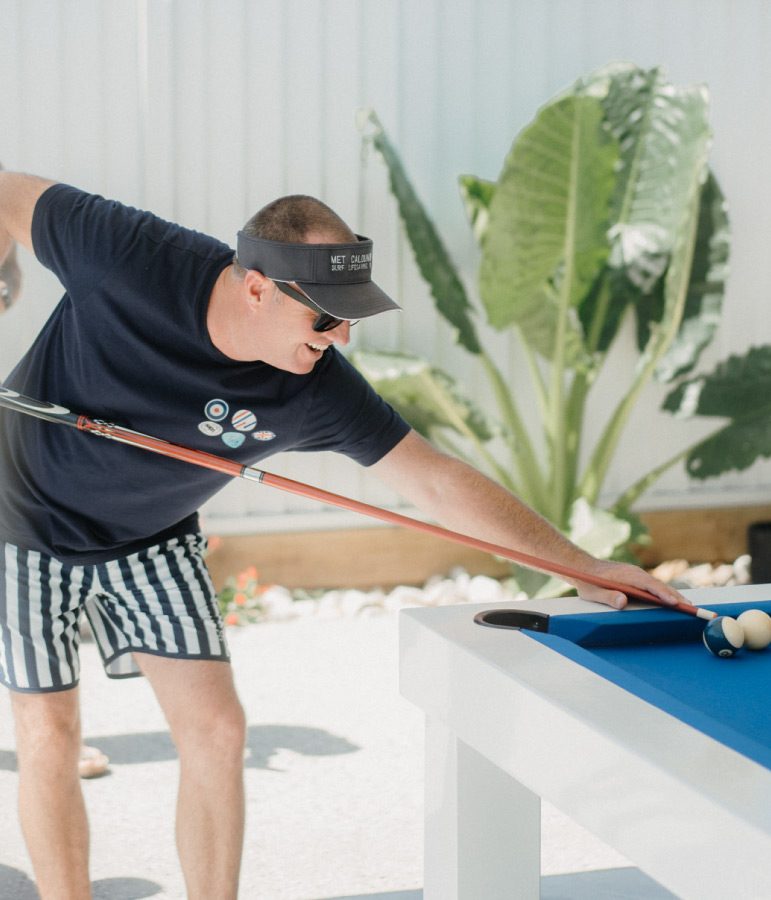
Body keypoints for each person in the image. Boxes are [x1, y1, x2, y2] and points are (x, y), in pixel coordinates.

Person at [0, 168, 686, 900]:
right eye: (324, 316)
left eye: (350, 316)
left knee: (219, 731)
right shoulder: (127, 253)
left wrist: (579, 565)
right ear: (257, 288)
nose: (342, 335)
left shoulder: (312, 387)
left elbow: (434, 480)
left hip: (154, 537)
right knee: (50, 738)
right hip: (25, 516)